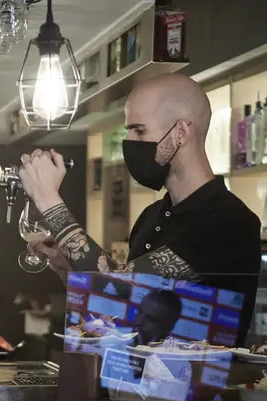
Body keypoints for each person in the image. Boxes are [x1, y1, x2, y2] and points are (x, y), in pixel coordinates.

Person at [19, 73, 261, 345]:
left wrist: (47, 197)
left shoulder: (229, 222)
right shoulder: (151, 216)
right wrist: (67, 268)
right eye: (128, 131)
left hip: (198, 386)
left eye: (140, 130)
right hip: (131, 383)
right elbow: (115, 307)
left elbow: (117, 286)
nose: (130, 143)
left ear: (180, 133)